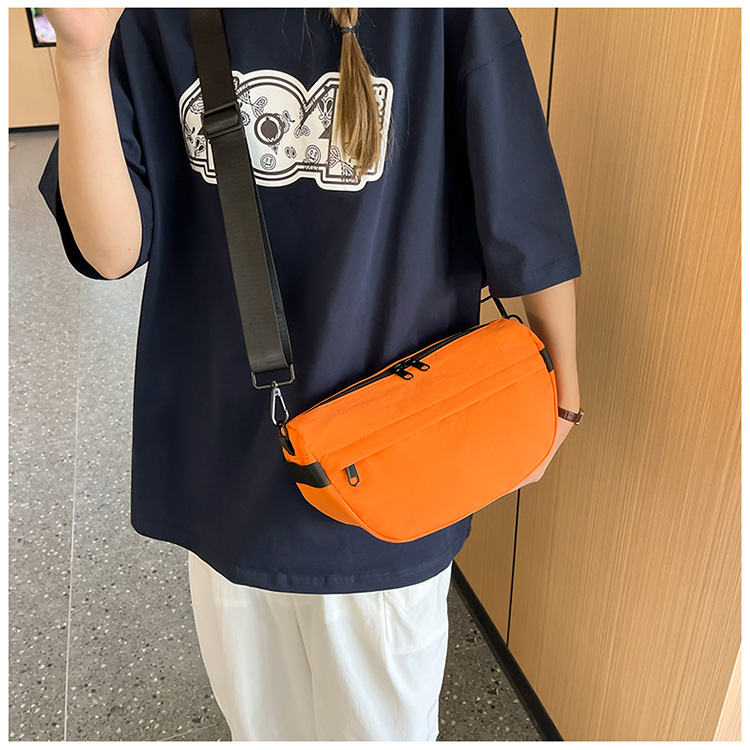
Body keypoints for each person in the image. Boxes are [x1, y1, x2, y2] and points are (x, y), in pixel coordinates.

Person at [38, 7, 583, 742]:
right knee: (261, 731)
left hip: (389, 485)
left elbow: (522, 206)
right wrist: (79, 55)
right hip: (232, 481)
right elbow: (111, 251)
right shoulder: (154, 18)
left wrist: (560, 398)